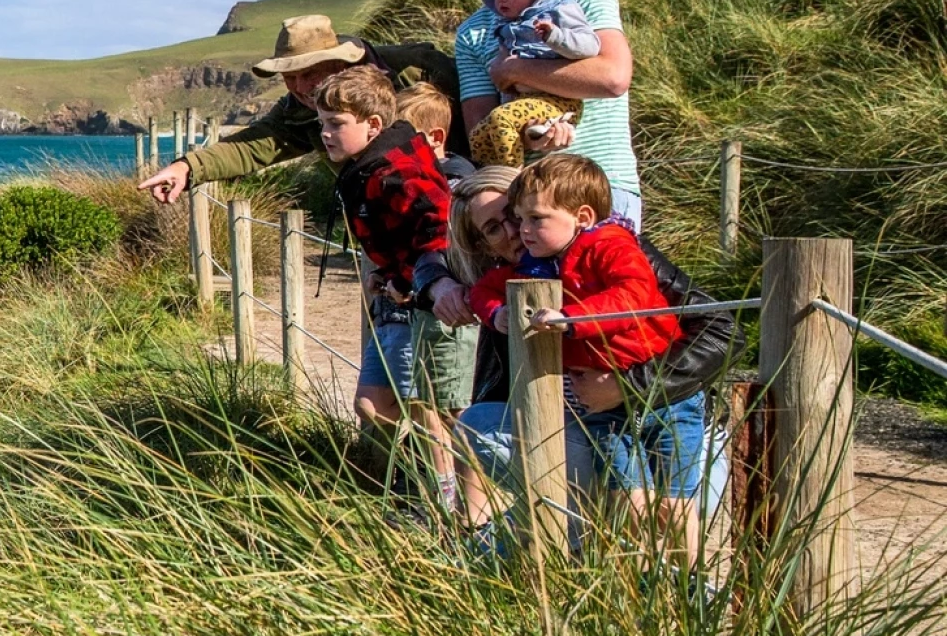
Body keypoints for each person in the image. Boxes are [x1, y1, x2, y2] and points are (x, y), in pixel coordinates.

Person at [444, 167, 733, 540]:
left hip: (667, 412)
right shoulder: (518, 282)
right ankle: (579, 532)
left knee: (667, 514)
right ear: (483, 245)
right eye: (496, 227)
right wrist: (436, 285)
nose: (518, 231)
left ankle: (657, 569)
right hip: (597, 427)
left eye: (525, 215)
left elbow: (721, 329)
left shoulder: (615, 250)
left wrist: (627, 386)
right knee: (478, 424)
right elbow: (429, 254)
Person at [447, 0, 643, 227]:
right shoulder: (473, 31)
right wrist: (526, 133)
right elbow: (480, 134)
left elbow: (612, 77)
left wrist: (515, 70)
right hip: (526, 203)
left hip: (602, 186)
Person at [137, 14, 463, 204]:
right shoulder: (299, 110)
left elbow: (473, 116)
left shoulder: (416, 70)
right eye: (289, 77)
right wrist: (186, 168)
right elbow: (254, 146)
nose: (300, 87)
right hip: (379, 223)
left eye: (309, 74)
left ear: (339, 62)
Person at [314, 67, 454, 445]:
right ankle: (410, 478)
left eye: (335, 123)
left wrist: (410, 279)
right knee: (372, 405)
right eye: (322, 122)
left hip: (425, 305)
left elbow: (440, 225)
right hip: (401, 299)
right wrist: (388, 270)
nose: (325, 133)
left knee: (430, 412)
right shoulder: (373, 167)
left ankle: (438, 498)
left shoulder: (397, 170)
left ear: (373, 124)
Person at [394, 81, 474, 504]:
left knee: (450, 406)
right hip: (429, 305)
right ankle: (444, 494)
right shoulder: (426, 180)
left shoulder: (452, 186)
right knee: (427, 401)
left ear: (435, 138)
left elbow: (443, 246)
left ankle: (457, 500)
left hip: (452, 308)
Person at [469, 0, 600, 168]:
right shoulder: (507, 25)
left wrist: (555, 37)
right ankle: (491, 179)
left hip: (558, 99)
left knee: (501, 120)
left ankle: (511, 181)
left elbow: (590, 45)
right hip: (523, 102)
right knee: (479, 136)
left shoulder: (560, 10)